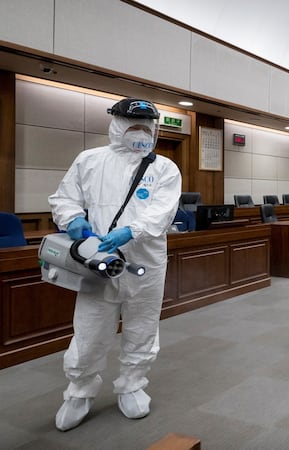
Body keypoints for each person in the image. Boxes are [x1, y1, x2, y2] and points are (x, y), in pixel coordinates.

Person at [48, 98, 182, 431]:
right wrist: (74, 219)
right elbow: (64, 198)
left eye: (146, 128)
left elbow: (162, 212)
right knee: (90, 328)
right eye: (133, 126)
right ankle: (79, 391)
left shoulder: (163, 168)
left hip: (146, 262)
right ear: (116, 125)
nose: (140, 134)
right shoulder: (89, 160)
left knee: (142, 326)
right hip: (98, 261)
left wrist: (130, 231)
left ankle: (132, 385)